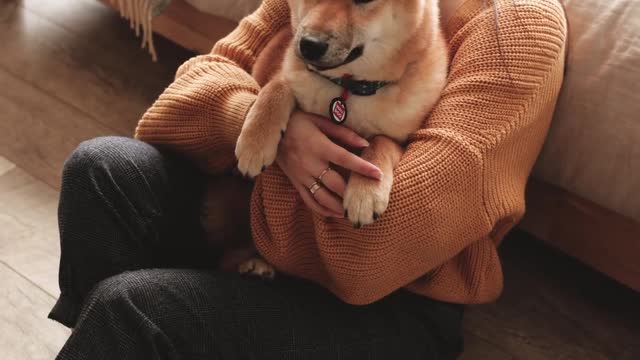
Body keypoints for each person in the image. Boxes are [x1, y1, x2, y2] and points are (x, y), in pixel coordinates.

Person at [49, 0, 567, 358]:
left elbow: (375, 250)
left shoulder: (518, 30)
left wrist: (266, 173)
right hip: (256, 227)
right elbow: (180, 102)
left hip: (391, 302)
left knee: (134, 308)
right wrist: (277, 129)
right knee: (99, 170)